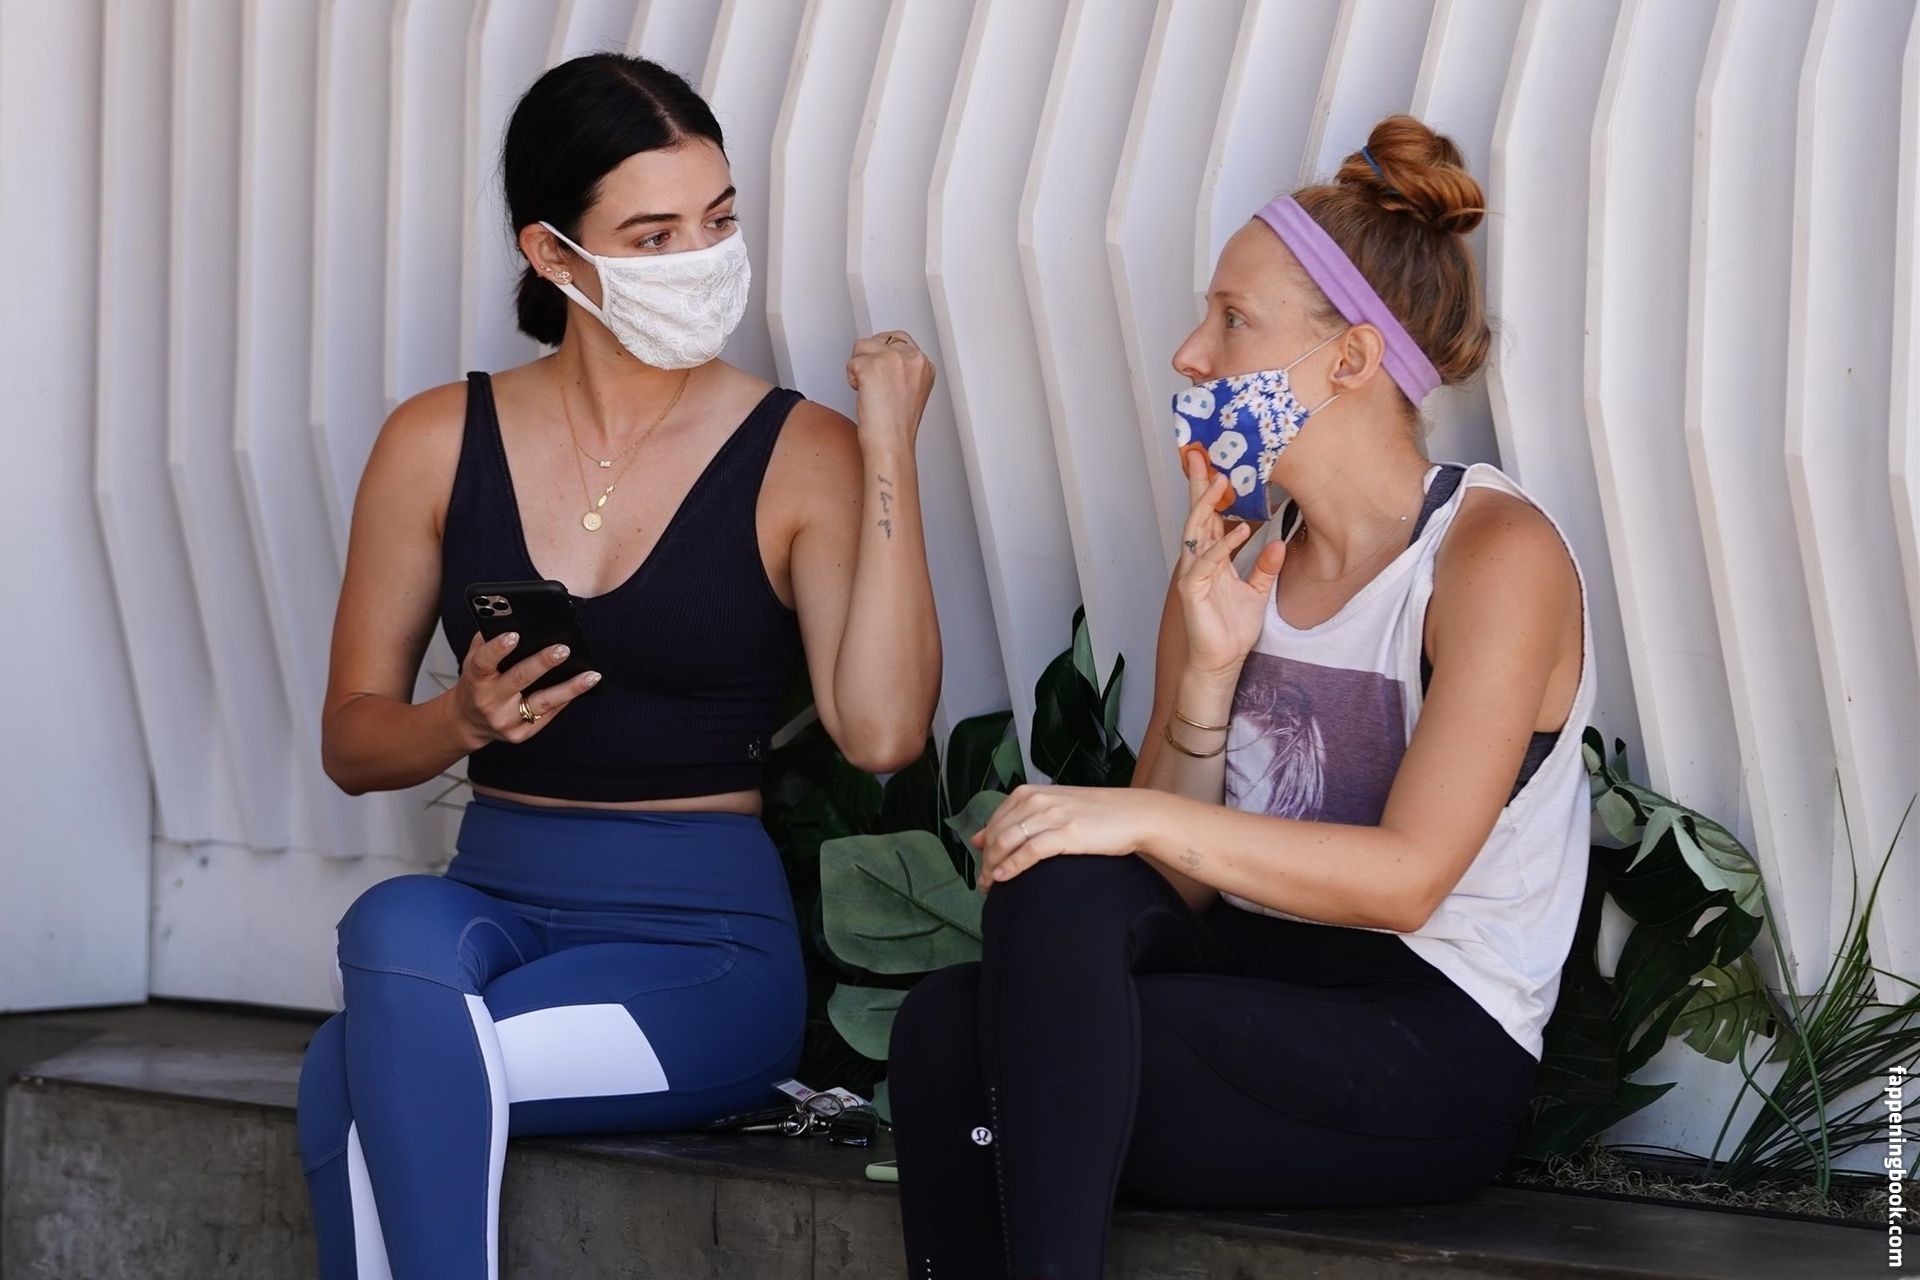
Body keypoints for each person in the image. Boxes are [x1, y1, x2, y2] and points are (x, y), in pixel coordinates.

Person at [887, 114, 1594, 1279]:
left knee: (998, 1050)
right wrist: (1209, 676)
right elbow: (1170, 880)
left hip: (1423, 1039)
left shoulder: (1490, 555)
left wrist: (1135, 811)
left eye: (1231, 319)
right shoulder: (1243, 552)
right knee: (975, 985)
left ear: (1350, 361)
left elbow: (1408, 880)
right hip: (1250, 978)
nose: (1188, 354)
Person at [295, 54, 941, 1279]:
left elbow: (884, 730)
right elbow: (352, 740)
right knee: (392, 920)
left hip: (698, 950)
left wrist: (889, 451)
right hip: (491, 906)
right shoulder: (436, 439)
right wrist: (461, 718)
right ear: (552, 254)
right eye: (653, 235)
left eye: (720, 220)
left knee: (355, 1069)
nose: (702, 257)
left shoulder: (801, 450)